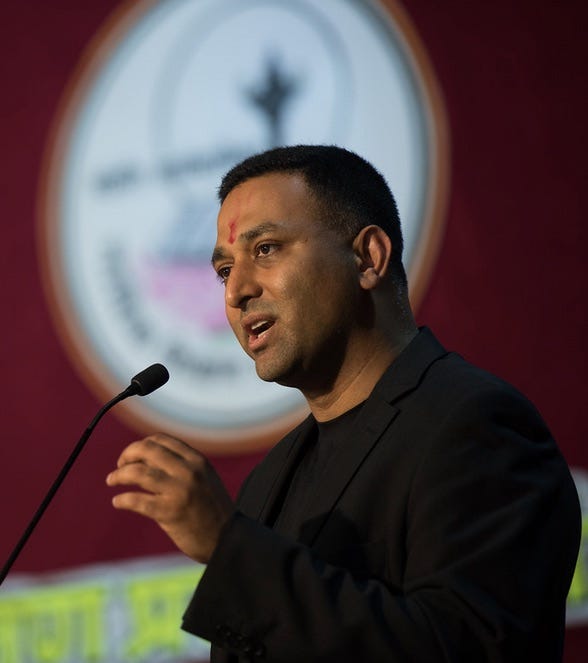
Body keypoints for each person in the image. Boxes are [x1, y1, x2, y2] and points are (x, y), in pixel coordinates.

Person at [106, 145, 581, 662]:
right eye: (224, 270)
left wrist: (231, 550)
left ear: (368, 258)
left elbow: (465, 648)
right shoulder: (268, 480)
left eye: (266, 249)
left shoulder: (477, 427)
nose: (236, 291)